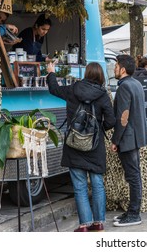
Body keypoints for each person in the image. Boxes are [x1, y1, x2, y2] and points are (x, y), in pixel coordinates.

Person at [46, 61, 115, 232]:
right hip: (95, 146)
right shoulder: (103, 95)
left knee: (79, 185)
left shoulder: (73, 89)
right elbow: (112, 121)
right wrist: (98, 130)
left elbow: (54, 89)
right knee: (98, 183)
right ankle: (98, 223)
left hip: (74, 144)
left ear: (86, 74)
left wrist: (51, 72)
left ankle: (84, 225)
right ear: (101, 77)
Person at [110, 54, 147, 226]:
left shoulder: (125, 87)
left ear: (123, 69)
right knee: (134, 175)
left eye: (116, 65)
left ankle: (134, 213)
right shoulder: (136, 83)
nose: (114, 68)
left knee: (133, 176)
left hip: (128, 138)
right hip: (135, 136)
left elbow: (123, 117)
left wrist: (115, 140)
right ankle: (132, 211)